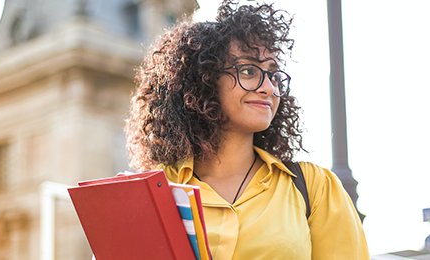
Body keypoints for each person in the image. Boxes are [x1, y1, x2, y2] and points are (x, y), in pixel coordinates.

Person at [125, 1, 369, 259]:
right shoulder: (153, 192)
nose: (268, 88)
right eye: (249, 70)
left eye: (274, 75)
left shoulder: (314, 188)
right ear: (204, 80)